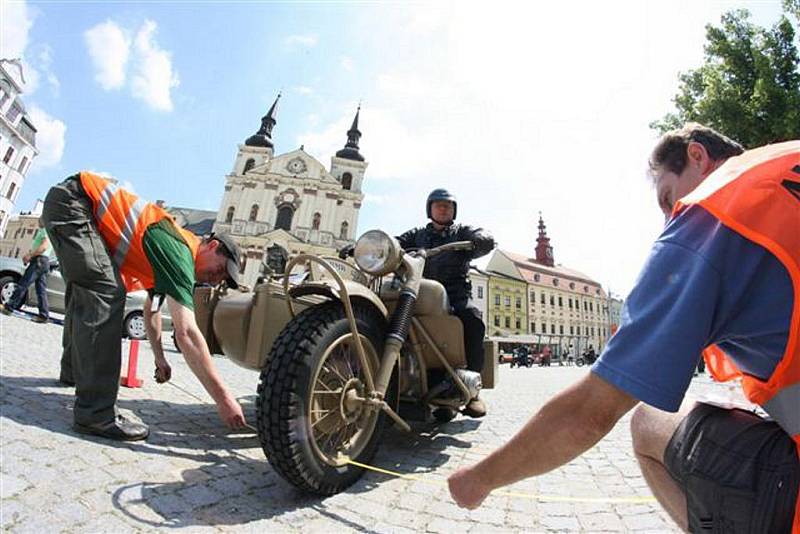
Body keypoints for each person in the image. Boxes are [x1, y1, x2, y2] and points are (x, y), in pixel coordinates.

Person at [447, 124, 799, 533]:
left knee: (648, 421)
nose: (671, 218)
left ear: (698, 157)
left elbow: (590, 412)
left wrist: (479, 479)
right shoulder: (784, 159)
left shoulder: (711, 215)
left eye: (668, 198)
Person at [42, 171, 247, 441]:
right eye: (221, 269)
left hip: (69, 202)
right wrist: (224, 399)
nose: (217, 279)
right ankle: (96, 414)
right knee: (105, 292)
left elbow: (152, 310)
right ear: (212, 246)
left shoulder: (170, 257)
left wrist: (160, 358)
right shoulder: (180, 252)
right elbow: (187, 334)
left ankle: (74, 373)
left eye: (224, 279)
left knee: (88, 290)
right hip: (75, 204)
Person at [396, 188, 495, 418]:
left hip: (454, 293)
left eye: (448, 206)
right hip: (421, 292)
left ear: (454, 211)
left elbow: (481, 234)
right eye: (438, 204)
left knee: (472, 318)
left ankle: (473, 391)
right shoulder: (417, 235)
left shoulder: (461, 232)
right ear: (429, 209)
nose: (443, 208)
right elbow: (396, 241)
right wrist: (375, 245)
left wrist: (481, 238)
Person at [0, 217, 54, 322]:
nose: (38, 221)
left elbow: (43, 247)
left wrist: (30, 255)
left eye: (40, 219)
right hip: (42, 261)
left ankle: (9, 308)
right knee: (41, 290)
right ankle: (44, 315)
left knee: (23, 284)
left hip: (39, 261)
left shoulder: (45, 231)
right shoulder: (47, 231)